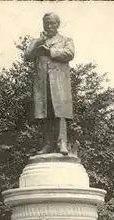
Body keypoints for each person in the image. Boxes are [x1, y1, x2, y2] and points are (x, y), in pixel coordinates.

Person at [25, 13, 74, 155]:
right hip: (42, 82)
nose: (49, 26)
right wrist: (38, 42)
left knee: (60, 113)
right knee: (44, 113)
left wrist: (50, 51)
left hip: (59, 83)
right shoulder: (38, 41)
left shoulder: (66, 40)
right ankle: (47, 144)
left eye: (52, 23)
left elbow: (70, 53)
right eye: (46, 23)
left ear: (58, 24)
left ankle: (62, 143)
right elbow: (28, 56)